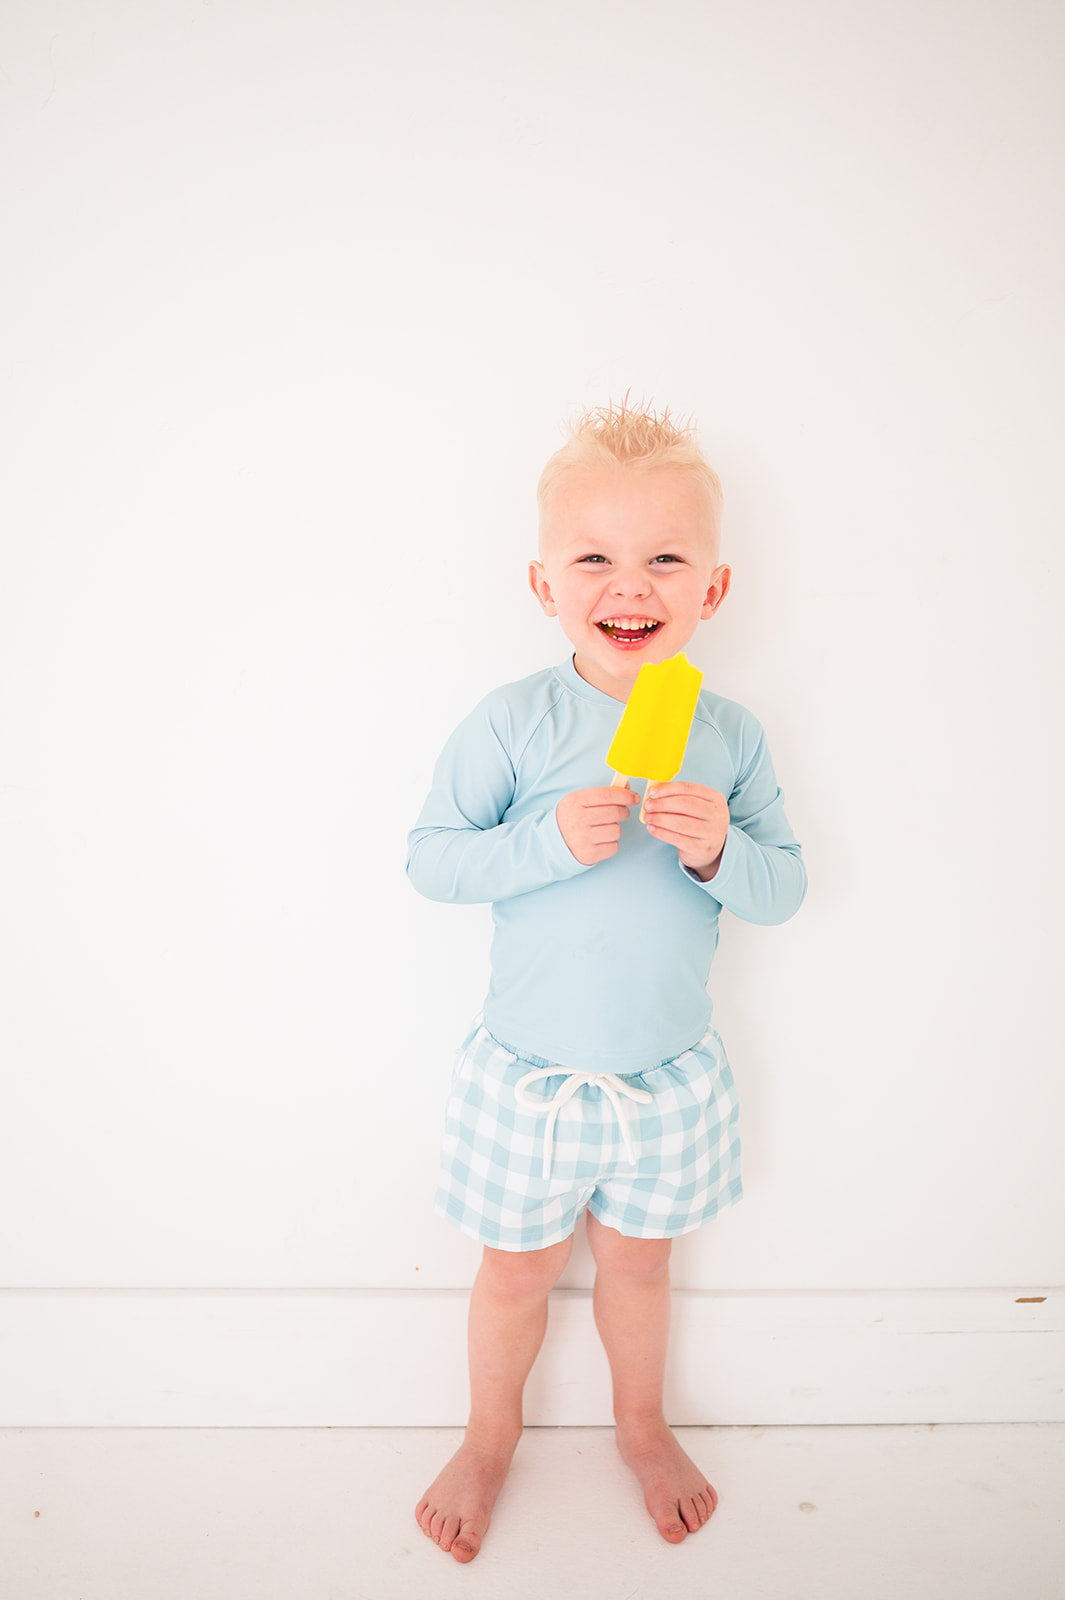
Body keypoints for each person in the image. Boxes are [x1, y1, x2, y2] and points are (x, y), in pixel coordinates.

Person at [406, 397, 806, 1562]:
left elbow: (785, 887)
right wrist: (539, 843)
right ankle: (490, 1438)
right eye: (595, 557)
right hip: (524, 1073)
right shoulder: (514, 723)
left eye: (664, 558)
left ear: (711, 590)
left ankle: (642, 1425)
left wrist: (720, 847)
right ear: (544, 584)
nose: (629, 584)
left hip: (668, 1074)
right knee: (515, 1272)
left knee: (639, 1264)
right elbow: (431, 858)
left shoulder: (725, 735)